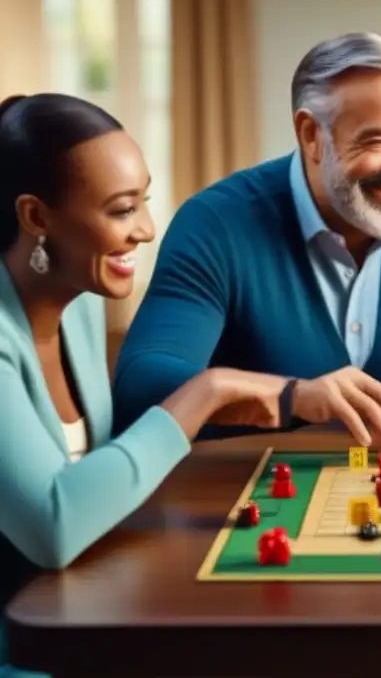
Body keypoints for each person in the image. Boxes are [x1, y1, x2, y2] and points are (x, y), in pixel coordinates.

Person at [0, 94, 322, 677]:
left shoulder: (79, 307)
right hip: (21, 646)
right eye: (122, 210)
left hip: (79, 613)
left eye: (143, 202)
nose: (146, 230)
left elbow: (93, 475)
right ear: (36, 217)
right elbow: (53, 525)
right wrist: (207, 390)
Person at [112, 32, 381, 442]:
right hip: (248, 497)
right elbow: (143, 385)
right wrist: (289, 398)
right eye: (378, 141)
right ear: (311, 135)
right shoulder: (216, 222)